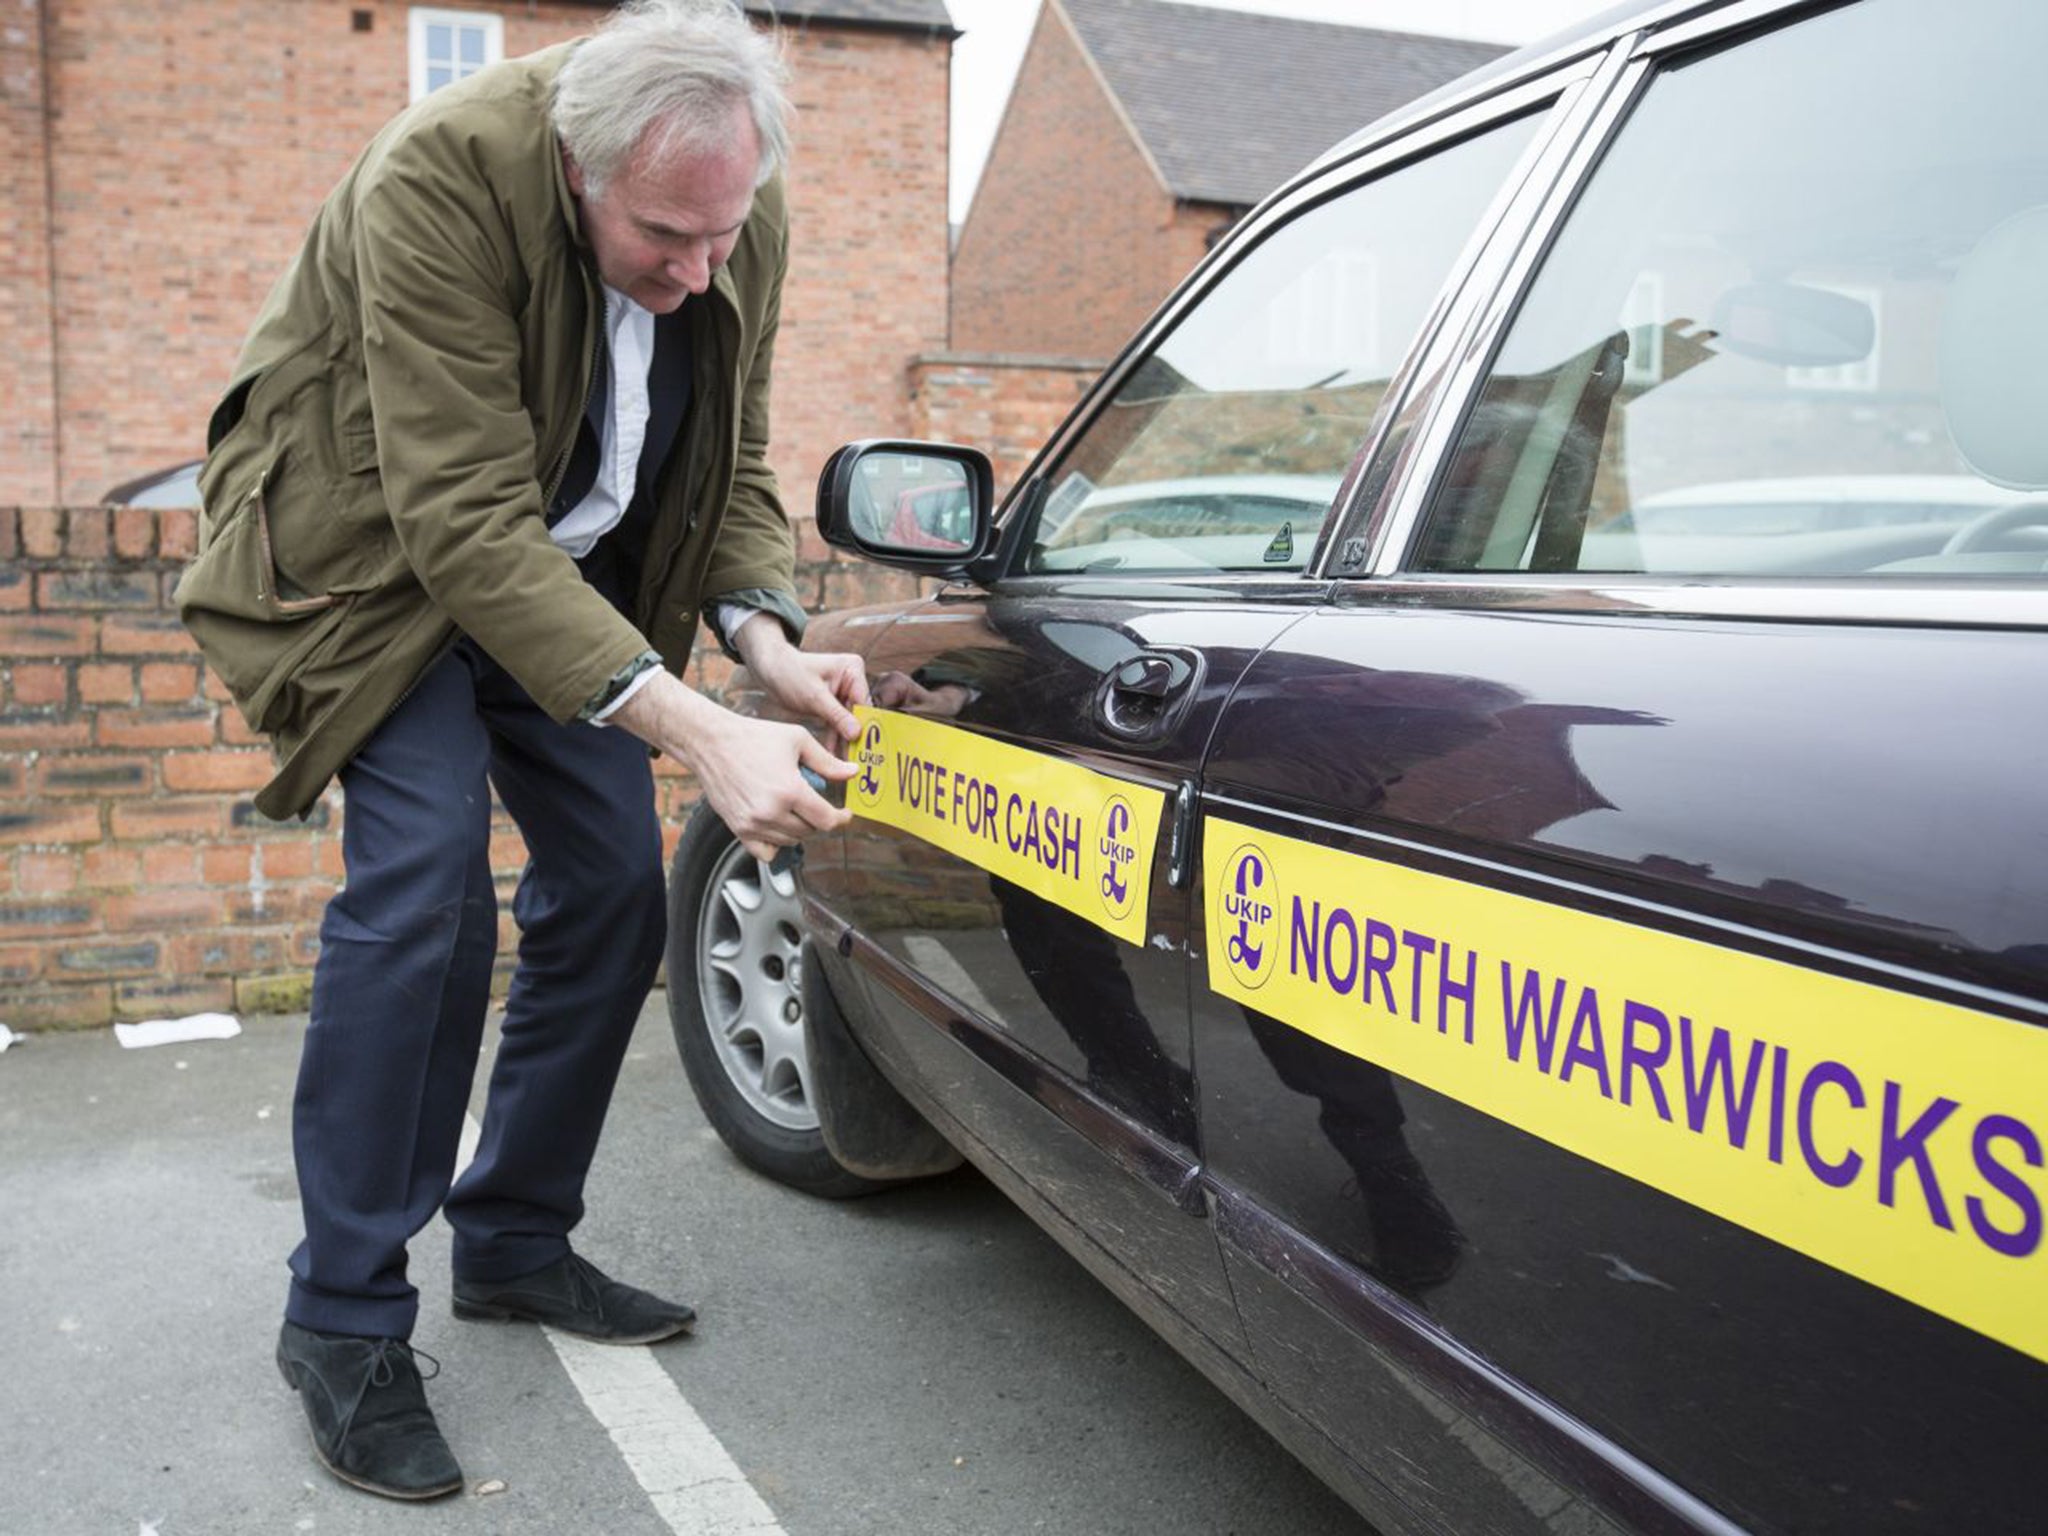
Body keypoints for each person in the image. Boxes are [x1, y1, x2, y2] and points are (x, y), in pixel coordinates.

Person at [175, 0, 863, 1501]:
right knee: (424, 896)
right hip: (383, 575)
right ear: (574, 163)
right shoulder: (435, 177)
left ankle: (513, 1239)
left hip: (577, 586)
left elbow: (731, 455)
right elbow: (463, 524)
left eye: (721, 233)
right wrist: (697, 734)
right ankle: (342, 1320)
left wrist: (764, 641)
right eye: (665, 238)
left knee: (616, 894)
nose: (698, 273)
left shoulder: (732, 201)